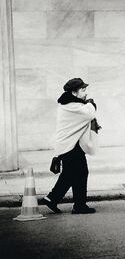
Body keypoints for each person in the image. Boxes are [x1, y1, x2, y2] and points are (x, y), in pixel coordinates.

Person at [41, 78, 100, 214]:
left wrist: (87, 103)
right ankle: (78, 205)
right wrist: (91, 103)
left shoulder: (69, 103)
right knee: (80, 173)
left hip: (70, 145)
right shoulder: (72, 106)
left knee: (71, 174)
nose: (86, 93)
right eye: (83, 90)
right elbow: (90, 113)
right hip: (70, 146)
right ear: (74, 92)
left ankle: (53, 199)